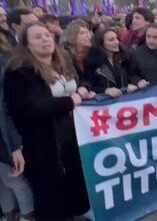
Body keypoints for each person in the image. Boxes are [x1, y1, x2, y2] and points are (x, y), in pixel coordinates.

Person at [4, 23, 91, 220]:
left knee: (71, 185)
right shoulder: (20, 72)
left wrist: (83, 90)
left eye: (47, 35)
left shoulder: (61, 62)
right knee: (49, 194)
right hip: (43, 143)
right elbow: (32, 107)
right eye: (37, 37)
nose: (45, 39)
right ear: (26, 45)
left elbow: (78, 81)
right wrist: (71, 101)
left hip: (70, 136)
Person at [0, 31, 34, 220]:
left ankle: (28, 215)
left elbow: (6, 108)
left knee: (13, 178)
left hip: (4, 134)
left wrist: (14, 145)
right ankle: (9, 213)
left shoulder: (6, 62)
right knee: (3, 181)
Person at [84, 28, 137, 97]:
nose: (117, 42)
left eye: (116, 38)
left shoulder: (124, 57)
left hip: (127, 99)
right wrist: (105, 90)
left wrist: (133, 83)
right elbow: (90, 85)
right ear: (101, 43)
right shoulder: (92, 62)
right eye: (111, 40)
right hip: (106, 103)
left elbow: (133, 74)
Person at [60, 19, 93, 88]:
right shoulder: (63, 56)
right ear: (72, 37)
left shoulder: (94, 54)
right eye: (82, 33)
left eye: (88, 32)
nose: (88, 35)